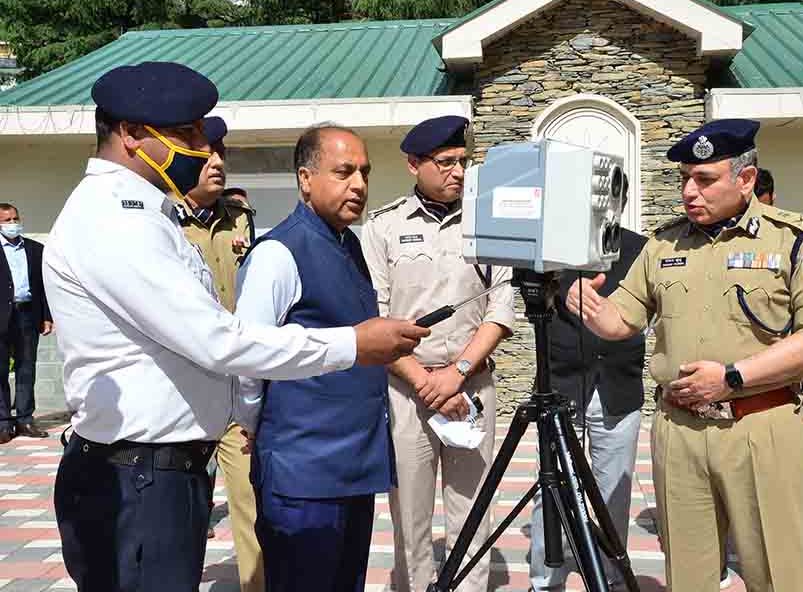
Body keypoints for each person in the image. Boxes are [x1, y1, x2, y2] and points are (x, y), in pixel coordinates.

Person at [43, 63, 428, 592]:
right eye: (186, 133)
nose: (204, 147)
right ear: (132, 135)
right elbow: (219, 340)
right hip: (137, 476)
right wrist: (353, 344)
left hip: (161, 472)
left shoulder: (147, 214)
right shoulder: (114, 221)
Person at [567, 118, 803, 591]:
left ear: (746, 178)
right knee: (690, 574)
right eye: (684, 180)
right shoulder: (664, 243)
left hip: (761, 426)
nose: (690, 192)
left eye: (705, 179)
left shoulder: (794, 238)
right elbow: (623, 320)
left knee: (779, 571)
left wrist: (733, 377)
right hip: (680, 431)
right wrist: (590, 308)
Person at [236, 123, 427, 592]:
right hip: (303, 472)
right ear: (305, 179)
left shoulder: (350, 244)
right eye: (343, 172)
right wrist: (253, 425)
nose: (359, 184)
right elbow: (248, 358)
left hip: (353, 465)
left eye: (364, 172)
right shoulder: (278, 254)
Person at [361, 115, 515, 592]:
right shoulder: (383, 228)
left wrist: (459, 373)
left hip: (471, 387)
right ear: (413, 164)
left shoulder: (487, 223)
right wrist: (428, 383)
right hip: (407, 390)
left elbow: (501, 308)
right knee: (410, 513)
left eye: (462, 162)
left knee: (473, 506)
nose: (458, 172)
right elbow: (375, 317)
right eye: (445, 162)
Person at [529, 195, 647, 592]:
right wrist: (562, 283)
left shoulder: (642, 248)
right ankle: (547, 580)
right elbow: (529, 291)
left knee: (614, 492)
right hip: (561, 385)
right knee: (552, 488)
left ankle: (609, 579)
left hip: (619, 387)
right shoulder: (549, 250)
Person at [168, 115, 263, 589]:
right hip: (180, 391)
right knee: (181, 514)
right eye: (206, 153)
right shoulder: (160, 219)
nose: (218, 162)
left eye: (222, 152)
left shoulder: (240, 216)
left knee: (249, 505)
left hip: (235, 389)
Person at [0, 203, 52, 442]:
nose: (12, 224)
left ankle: (25, 420)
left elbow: (42, 287)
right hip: (2, 315)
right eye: (7, 220)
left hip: (27, 315)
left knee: (26, 368)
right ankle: (3, 423)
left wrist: (46, 316)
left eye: (15, 219)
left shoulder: (34, 249)